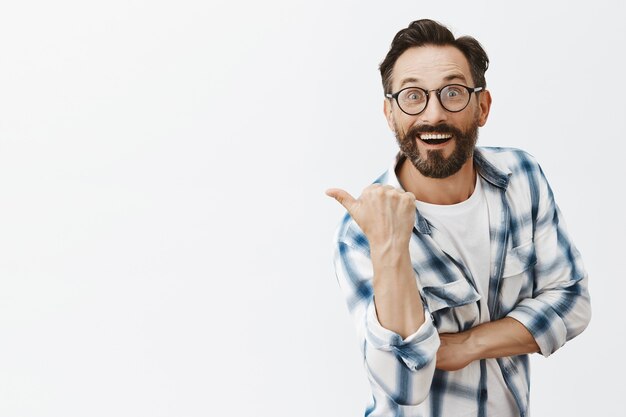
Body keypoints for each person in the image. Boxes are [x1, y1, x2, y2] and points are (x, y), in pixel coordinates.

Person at [326, 19, 591, 417]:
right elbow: (404, 382)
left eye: (452, 92)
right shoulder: (362, 231)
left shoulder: (522, 178)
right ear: (389, 113)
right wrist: (390, 247)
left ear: (481, 107)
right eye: (413, 96)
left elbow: (572, 302)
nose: (433, 115)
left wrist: (467, 345)